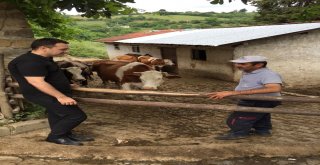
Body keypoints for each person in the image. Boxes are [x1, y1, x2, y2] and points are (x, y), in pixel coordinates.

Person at [8, 38, 93, 146]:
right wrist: (61, 97)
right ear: (43, 48)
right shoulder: (30, 61)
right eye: (62, 49)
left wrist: (66, 85)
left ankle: (65, 134)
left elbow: (48, 75)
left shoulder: (44, 58)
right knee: (76, 115)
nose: (65, 52)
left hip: (50, 93)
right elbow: (37, 82)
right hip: (42, 94)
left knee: (56, 114)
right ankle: (55, 136)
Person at [207, 55, 282, 140]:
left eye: (243, 64)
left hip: (261, 100)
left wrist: (233, 93)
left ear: (258, 65)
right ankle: (262, 131)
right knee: (261, 115)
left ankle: (239, 133)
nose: (238, 65)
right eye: (238, 63)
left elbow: (275, 88)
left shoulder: (268, 74)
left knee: (240, 117)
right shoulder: (248, 71)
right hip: (255, 99)